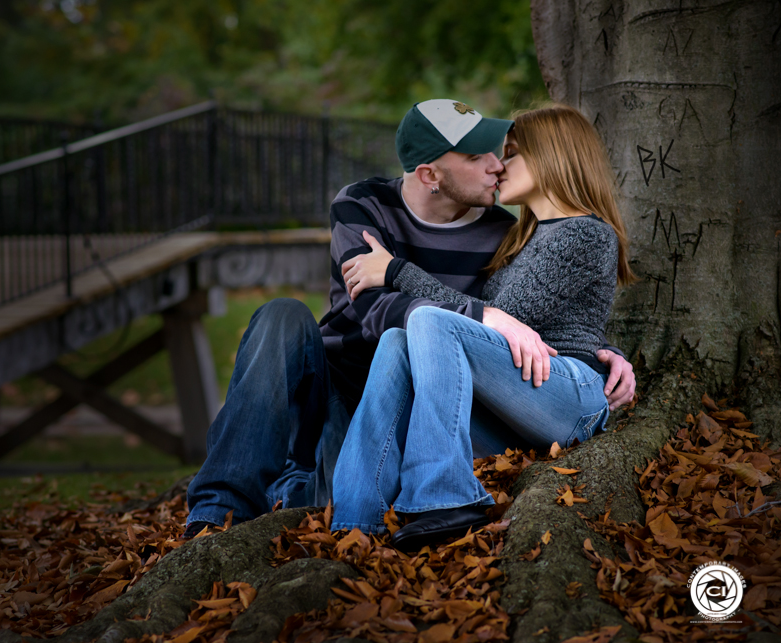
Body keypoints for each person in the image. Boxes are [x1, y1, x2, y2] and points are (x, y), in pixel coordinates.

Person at [182, 99, 636, 538]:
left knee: (322, 499)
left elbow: (536, 310)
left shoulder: (503, 231)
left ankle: (324, 497)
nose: (496, 165)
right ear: (429, 175)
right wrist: (485, 314)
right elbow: (373, 310)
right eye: (478, 157)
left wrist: (602, 351)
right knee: (281, 317)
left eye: (501, 154)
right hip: (340, 374)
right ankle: (218, 508)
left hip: (415, 388)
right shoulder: (363, 205)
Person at [330, 103, 636, 551]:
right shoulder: (522, 237)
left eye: (510, 153)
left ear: (552, 157)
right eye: (493, 156)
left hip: (571, 395)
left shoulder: (584, 233)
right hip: (526, 392)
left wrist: (396, 270)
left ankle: (444, 497)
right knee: (397, 339)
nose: (497, 166)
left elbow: (502, 320)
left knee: (430, 319)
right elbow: (501, 321)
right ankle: (356, 520)